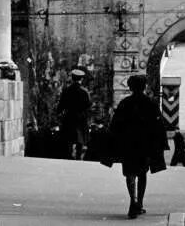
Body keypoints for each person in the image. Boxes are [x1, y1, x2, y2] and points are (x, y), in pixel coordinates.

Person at [107, 74, 168, 219]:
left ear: (130, 87)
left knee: (130, 173)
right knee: (142, 173)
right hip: (144, 144)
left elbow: (115, 125)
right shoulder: (150, 103)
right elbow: (158, 125)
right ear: (144, 86)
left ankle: (132, 200)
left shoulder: (125, 103)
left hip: (129, 144)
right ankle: (139, 202)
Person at [56, 69, 92, 160]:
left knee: (69, 138)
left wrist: (58, 114)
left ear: (72, 78)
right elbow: (88, 106)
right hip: (81, 118)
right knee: (80, 139)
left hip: (69, 117)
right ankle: (78, 156)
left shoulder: (67, 90)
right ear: (81, 79)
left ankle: (68, 156)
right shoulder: (84, 92)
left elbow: (61, 104)